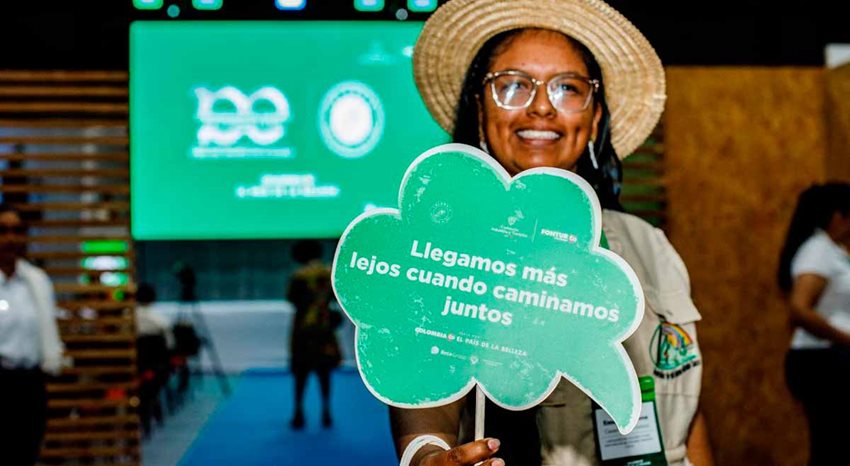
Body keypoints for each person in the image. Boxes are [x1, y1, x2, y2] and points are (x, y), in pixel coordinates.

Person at [391, 1, 715, 465]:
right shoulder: (446, 253)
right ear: (479, 113)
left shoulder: (649, 245)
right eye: (513, 86)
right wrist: (425, 456)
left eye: (567, 88)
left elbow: (687, 410)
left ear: (595, 118)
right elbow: (423, 397)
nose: (542, 106)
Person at [778, 182, 850, 466]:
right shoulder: (818, 250)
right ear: (838, 217)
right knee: (831, 446)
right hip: (823, 361)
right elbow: (799, 308)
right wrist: (844, 338)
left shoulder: (833, 251)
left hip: (830, 360)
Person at [0, 204, 64, 465]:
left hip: (30, 385)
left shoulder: (37, 281)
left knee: (26, 455)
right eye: (3, 231)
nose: (11, 238)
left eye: (17, 231)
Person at [287, 239, 342, 429]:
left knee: (301, 373)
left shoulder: (298, 276)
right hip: (325, 329)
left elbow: (291, 299)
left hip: (303, 330)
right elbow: (337, 297)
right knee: (325, 372)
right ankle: (326, 411)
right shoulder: (329, 273)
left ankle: (298, 411)